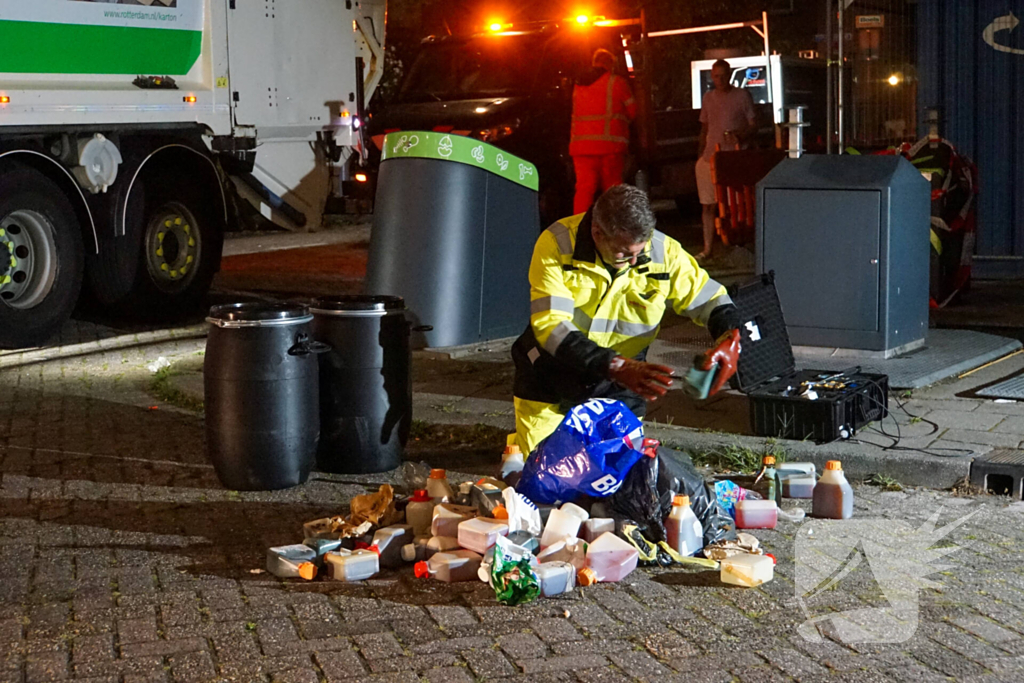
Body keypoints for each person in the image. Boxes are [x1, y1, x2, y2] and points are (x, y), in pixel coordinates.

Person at [504, 185, 742, 475]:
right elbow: (551, 326)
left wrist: (729, 336)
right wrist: (616, 366)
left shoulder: (662, 251)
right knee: (548, 477)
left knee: (620, 477)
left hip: (623, 379)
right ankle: (520, 452)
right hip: (552, 373)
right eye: (623, 253)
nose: (633, 262)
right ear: (597, 233)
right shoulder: (557, 243)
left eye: (639, 252)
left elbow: (711, 298)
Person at [695, 59, 757, 263]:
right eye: (716, 76)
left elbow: (753, 125)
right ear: (712, 77)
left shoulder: (742, 96)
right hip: (710, 157)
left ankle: (736, 244)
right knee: (708, 205)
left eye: (723, 76)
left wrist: (740, 136)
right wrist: (700, 154)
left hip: (733, 158)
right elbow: (704, 127)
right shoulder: (708, 97)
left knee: (735, 205)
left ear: (729, 75)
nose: (720, 80)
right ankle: (707, 249)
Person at [569, 49, 637, 215]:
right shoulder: (616, 82)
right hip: (610, 146)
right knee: (613, 189)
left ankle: (579, 224)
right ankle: (614, 223)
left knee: (584, 189)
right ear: (610, 65)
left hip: (581, 148)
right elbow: (633, 111)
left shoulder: (578, 85)